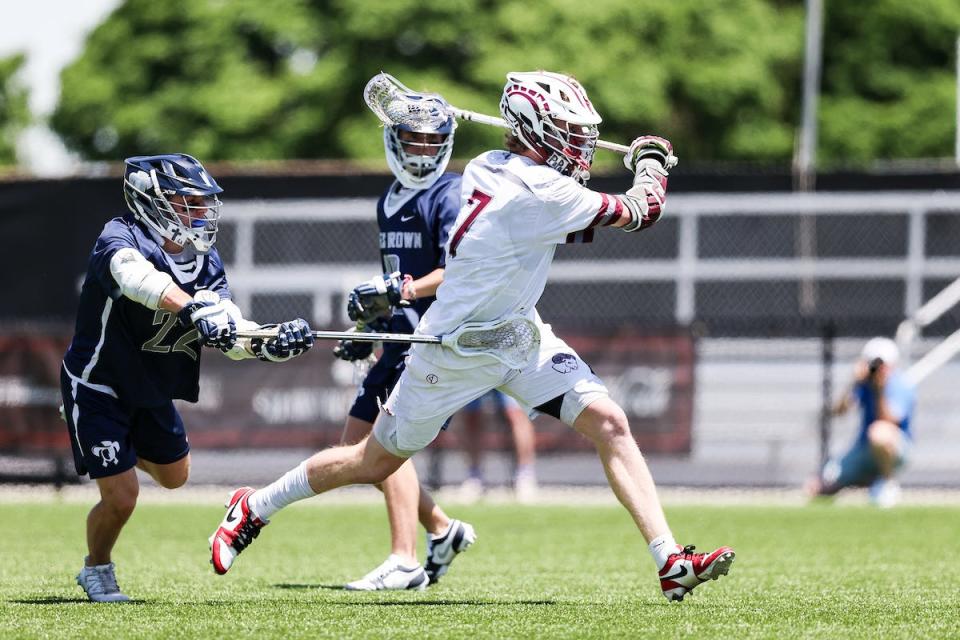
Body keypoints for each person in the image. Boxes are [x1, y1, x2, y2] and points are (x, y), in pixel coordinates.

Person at [209, 71, 734, 602]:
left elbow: (560, 214)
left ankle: (669, 561)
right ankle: (253, 507)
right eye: (570, 132)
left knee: (609, 422)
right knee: (373, 461)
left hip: (518, 336)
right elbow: (640, 212)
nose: (583, 145)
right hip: (455, 349)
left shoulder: (490, 165)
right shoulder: (540, 190)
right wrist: (651, 161)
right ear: (534, 131)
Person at [62, 154, 313, 602]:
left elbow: (230, 330)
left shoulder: (206, 261)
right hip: (99, 382)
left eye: (202, 204)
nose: (200, 214)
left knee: (176, 476)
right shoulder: (119, 236)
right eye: (189, 203)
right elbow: (134, 277)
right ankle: (97, 568)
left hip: (151, 388)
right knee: (122, 495)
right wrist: (189, 305)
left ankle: (105, 445)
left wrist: (269, 342)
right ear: (151, 201)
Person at [321, 112, 475, 590]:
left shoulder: (449, 194)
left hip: (429, 339)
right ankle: (443, 530)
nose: (424, 149)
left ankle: (404, 559)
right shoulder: (388, 200)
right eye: (414, 139)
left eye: (434, 141)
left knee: (387, 445)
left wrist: (401, 295)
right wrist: (370, 325)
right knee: (358, 448)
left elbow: (460, 269)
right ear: (394, 141)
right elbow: (393, 280)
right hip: (397, 337)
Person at [807, 337, 915, 507]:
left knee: (879, 432)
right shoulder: (863, 384)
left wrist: (879, 391)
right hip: (864, 448)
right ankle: (869, 480)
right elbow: (840, 411)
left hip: (895, 448)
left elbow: (890, 421)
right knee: (816, 487)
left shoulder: (900, 384)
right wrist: (853, 381)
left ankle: (887, 483)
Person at [459, 390, 538, 502]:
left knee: (517, 414)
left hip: (507, 373)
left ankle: (525, 476)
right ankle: (474, 477)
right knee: (472, 417)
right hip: (477, 374)